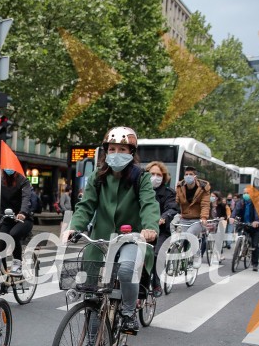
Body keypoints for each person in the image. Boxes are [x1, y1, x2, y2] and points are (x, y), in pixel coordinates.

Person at [62, 127, 160, 334]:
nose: (116, 153)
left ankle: (128, 312)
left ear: (131, 153)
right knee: (91, 292)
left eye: (122, 149)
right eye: (112, 149)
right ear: (106, 152)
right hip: (100, 239)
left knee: (126, 270)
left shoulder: (140, 178)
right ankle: (90, 342)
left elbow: (149, 204)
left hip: (132, 238)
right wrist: (74, 228)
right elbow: (85, 206)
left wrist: (150, 227)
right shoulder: (97, 177)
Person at [0, 166, 34, 276]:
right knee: (0, 244)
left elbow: (26, 197)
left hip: (23, 219)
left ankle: (17, 264)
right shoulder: (0, 181)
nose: (9, 169)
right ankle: (2, 272)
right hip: (6, 218)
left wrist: (22, 212)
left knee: (14, 234)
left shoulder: (23, 181)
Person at [146, 161, 178, 298]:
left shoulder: (169, 193)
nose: (155, 177)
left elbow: (172, 208)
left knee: (155, 255)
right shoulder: (140, 190)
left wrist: (163, 217)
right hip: (141, 229)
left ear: (164, 177)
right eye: (152, 174)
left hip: (161, 231)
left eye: (158, 174)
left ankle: (156, 282)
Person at [174, 166, 211, 268]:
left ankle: (197, 254)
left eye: (190, 174)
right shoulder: (180, 186)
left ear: (195, 176)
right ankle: (175, 261)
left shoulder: (204, 186)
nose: (188, 176)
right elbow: (176, 202)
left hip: (198, 220)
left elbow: (205, 204)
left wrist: (204, 217)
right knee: (179, 239)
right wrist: (174, 213)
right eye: (186, 174)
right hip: (184, 218)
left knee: (190, 234)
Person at [229, 191, 259, 271]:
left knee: (255, 245)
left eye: (248, 193)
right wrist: (232, 217)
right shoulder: (241, 202)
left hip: (255, 226)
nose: (245, 194)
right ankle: (237, 252)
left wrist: (257, 221)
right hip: (243, 223)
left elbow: (257, 213)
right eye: (244, 193)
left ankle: (255, 264)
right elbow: (235, 210)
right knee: (239, 238)